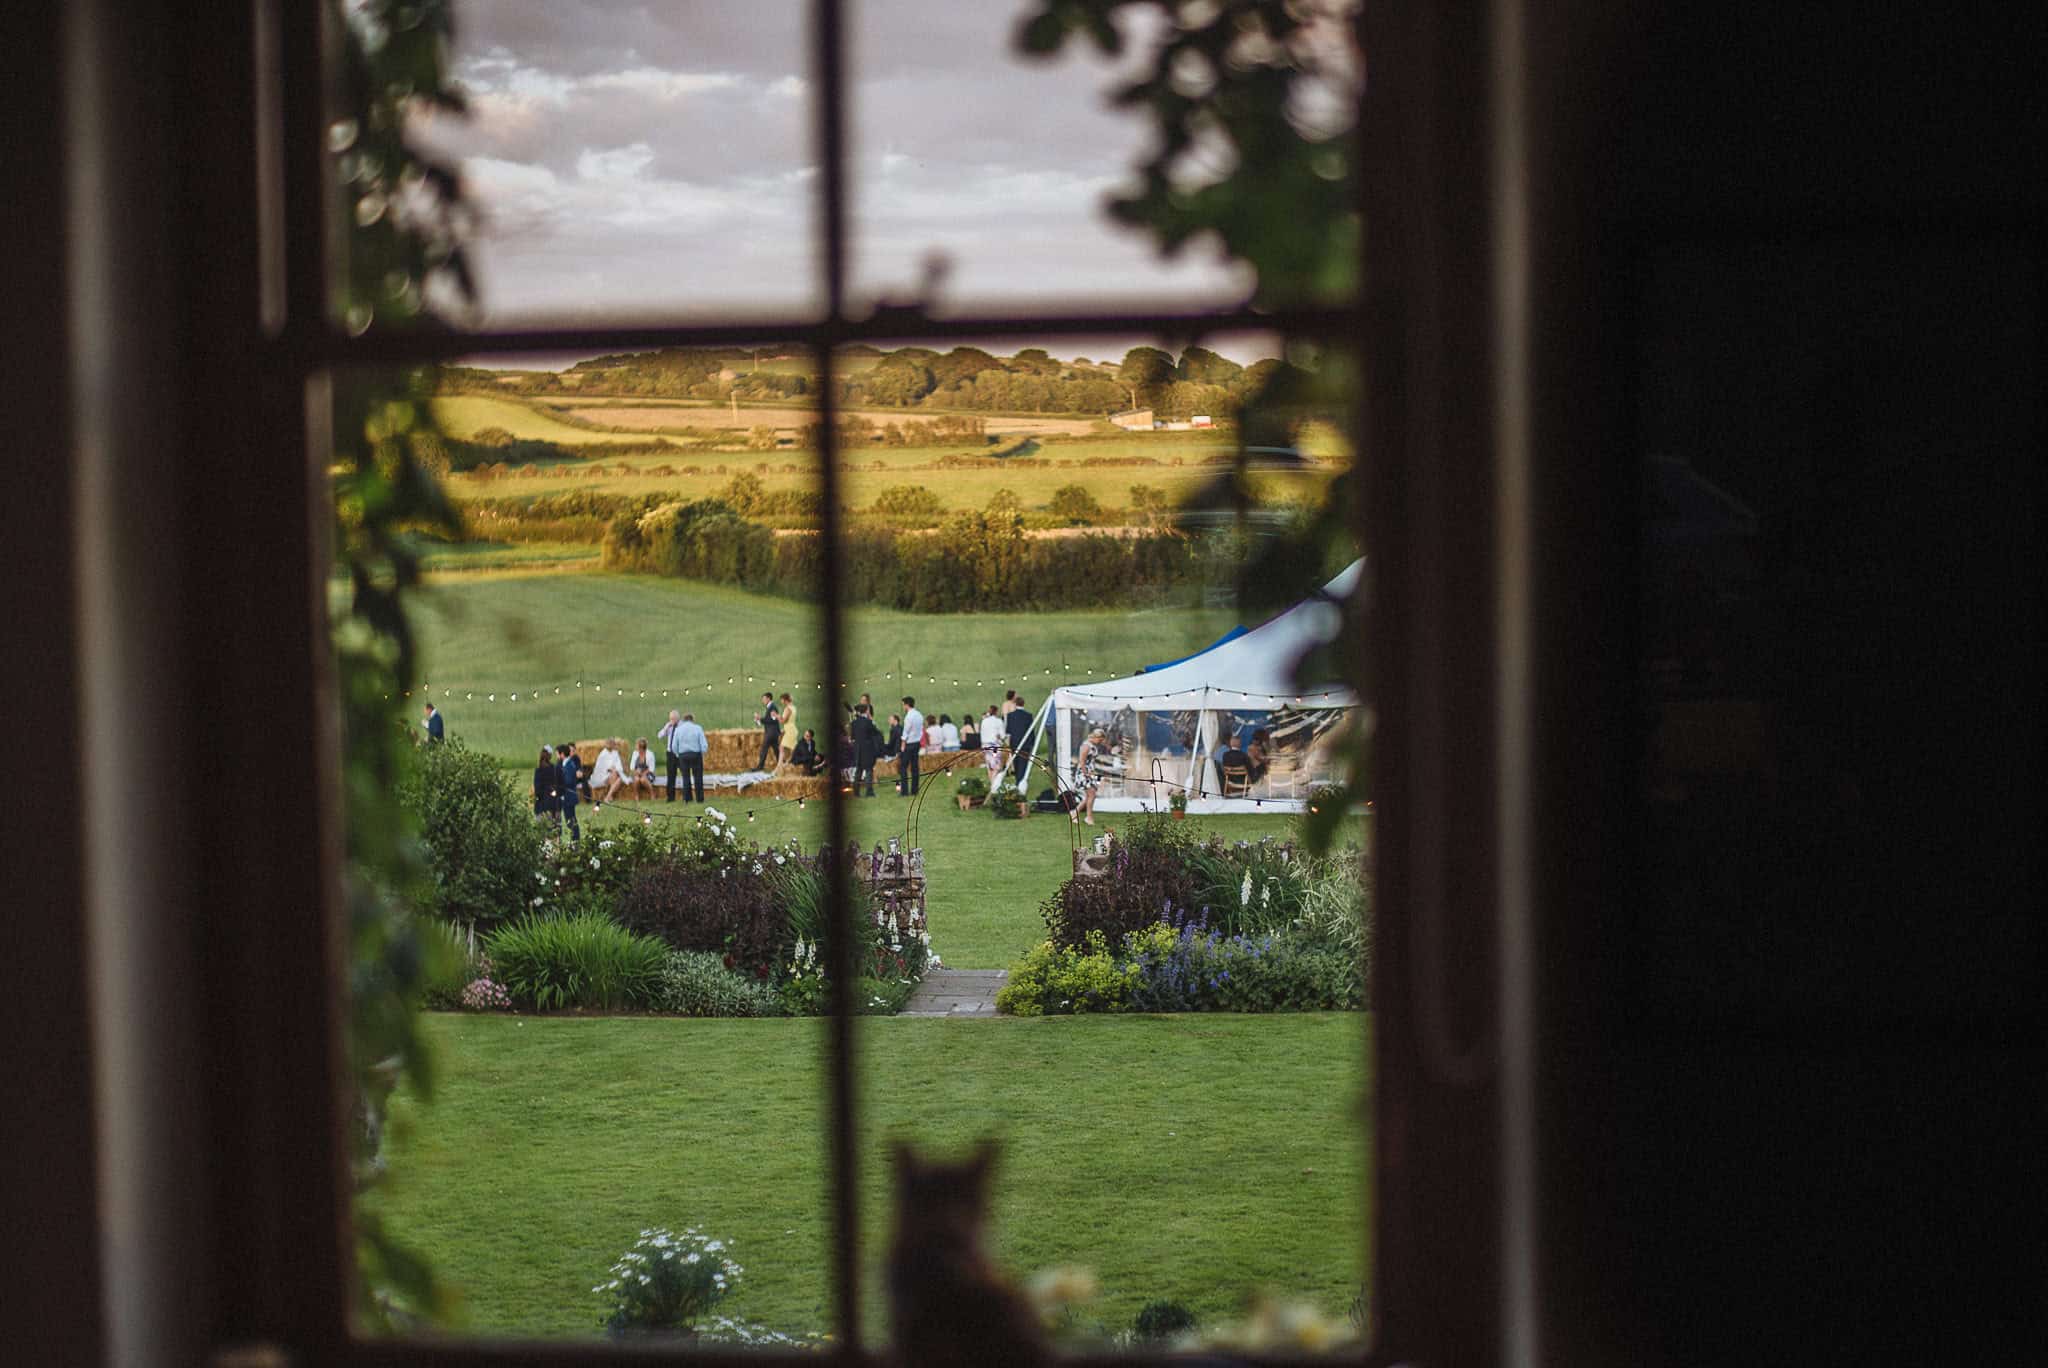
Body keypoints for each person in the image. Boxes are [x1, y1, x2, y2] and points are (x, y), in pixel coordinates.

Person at [660, 709, 707, 802]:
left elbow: (674, 745)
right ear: (692, 719)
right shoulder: (698, 728)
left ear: (683, 720)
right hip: (695, 754)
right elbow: (704, 744)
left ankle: (687, 799)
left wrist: (678, 754)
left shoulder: (679, 729)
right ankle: (699, 798)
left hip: (683, 755)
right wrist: (702, 753)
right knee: (698, 777)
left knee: (685, 777)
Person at [1074, 727, 1107, 825]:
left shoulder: (1092, 745)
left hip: (1090, 773)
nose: (1100, 742)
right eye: (1100, 740)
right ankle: (1088, 817)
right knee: (1091, 794)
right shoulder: (1086, 746)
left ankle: (1075, 813)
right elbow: (1082, 761)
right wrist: (1085, 773)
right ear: (1096, 737)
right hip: (1084, 773)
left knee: (1090, 795)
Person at [851, 703, 883, 796]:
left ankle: (856, 792)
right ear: (866, 710)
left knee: (858, 771)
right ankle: (869, 792)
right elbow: (875, 732)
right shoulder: (868, 722)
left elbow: (853, 737)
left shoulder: (854, 723)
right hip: (868, 750)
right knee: (869, 771)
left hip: (858, 750)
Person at [555, 743, 582, 843]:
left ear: (562, 754)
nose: (557, 756)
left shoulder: (570, 765)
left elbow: (569, 781)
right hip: (565, 797)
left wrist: (559, 783)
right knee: (568, 819)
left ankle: (575, 840)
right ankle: (573, 839)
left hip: (569, 797)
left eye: (557, 754)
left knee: (571, 820)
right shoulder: (564, 764)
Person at [898, 696, 925, 795]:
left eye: (903, 704)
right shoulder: (919, 715)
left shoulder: (909, 717)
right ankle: (914, 789)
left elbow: (906, 732)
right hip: (917, 743)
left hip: (909, 744)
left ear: (906, 704)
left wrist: (902, 744)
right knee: (915, 767)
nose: (903, 707)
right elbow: (921, 729)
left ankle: (904, 791)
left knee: (903, 767)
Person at [1006, 694, 1035, 782]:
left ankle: (1018, 780)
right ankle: (1020, 781)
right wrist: (1032, 742)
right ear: (1023, 704)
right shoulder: (1028, 715)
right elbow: (1031, 730)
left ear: (1015, 704)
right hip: (1025, 743)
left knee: (1016, 762)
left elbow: (1008, 730)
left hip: (1014, 742)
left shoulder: (1010, 715)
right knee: (1023, 763)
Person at [590, 737, 625, 804]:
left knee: (619, 778)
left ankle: (608, 796)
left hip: (613, 774)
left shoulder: (615, 753)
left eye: (612, 744)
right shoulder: (603, 754)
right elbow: (599, 767)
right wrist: (608, 769)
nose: (611, 745)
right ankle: (609, 797)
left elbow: (619, 765)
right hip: (603, 775)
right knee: (617, 777)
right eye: (610, 744)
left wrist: (615, 769)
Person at [754, 692, 781, 771]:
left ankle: (760, 767)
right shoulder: (771, 707)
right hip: (773, 732)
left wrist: (760, 718)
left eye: (764, 699)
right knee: (776, 750)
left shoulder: (772, 707)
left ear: (769, 698)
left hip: (771, 733)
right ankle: (782, 764)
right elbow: (769, 720)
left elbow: (772, 720)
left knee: (764, 749)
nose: (763, 701)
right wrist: (759, 720)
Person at [532, 745, 559, 824]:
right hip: (551, 805)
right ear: (550, 756)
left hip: (540, 807)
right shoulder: (553, 768)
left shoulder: (538, 770)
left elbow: (537, 790)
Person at [776, 692, 799, 772]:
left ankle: (779, 766)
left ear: (785, 700)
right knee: (791, 749)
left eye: (781, 700)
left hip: (790, 730)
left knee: (782, 747)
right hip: (791, 729)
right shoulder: (793, 707)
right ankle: (784, 764)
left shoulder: (788, 708)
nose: (781, 701)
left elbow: (783, 721)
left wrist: (777, 716)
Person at [982, 704, 1004, 781]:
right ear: (996, 712)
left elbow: (982, 734)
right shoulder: (998, 721)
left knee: (989, 766)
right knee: (996, 766)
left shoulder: (984, 721)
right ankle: (993, 784)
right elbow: (1002, 735)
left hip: (986, 745)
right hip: (995, 746)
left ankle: (992, 782)